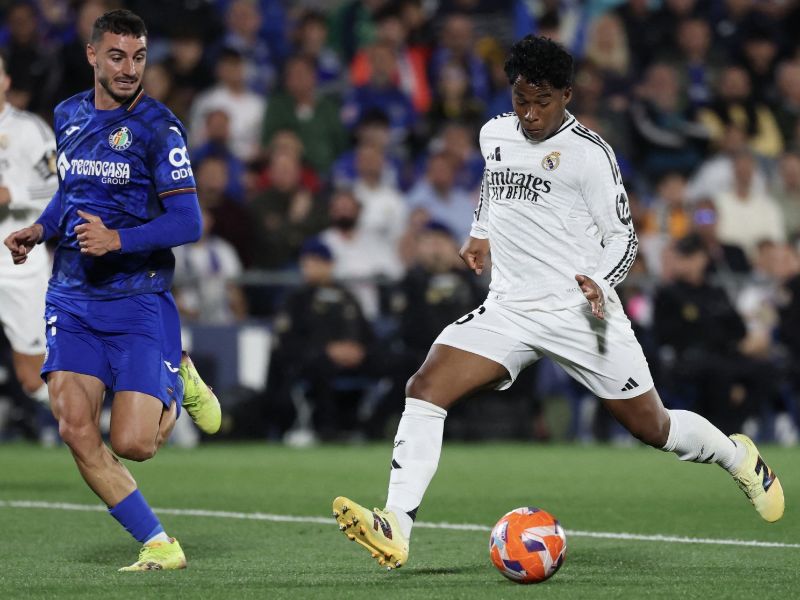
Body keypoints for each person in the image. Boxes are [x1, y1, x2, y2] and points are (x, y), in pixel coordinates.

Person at [332, 36, 784, 571]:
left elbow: (625, 240)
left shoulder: (591, 155)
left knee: (652, 427)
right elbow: (492, 184)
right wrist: (480, 234)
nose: (529, 113)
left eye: (541, 101)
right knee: (425, 388)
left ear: (567, 94)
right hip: (511, 309)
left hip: (580, 315)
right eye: (521, 99)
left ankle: (740, 458)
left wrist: (601, 281)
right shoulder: (494, 133)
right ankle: (397, 526)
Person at [3, 10, 221, 571]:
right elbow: (68, 194)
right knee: (75, 428)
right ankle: (158, 543)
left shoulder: (159, 128)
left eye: (140, 57)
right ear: (93, 55)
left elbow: (188, 222)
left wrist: (117, 239)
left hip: (137, 300)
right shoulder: (68, 115)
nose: (129, 68)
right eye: (118, 56)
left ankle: (178, 372)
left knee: (134, 444)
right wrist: (41, 229)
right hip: (72, 298)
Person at [0, 54, 58, 410]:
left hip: (19, 263)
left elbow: (60, 187)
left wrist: (13, 193)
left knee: (32, 374)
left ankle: (94, 424)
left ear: (5, 81)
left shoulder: (29, 131)